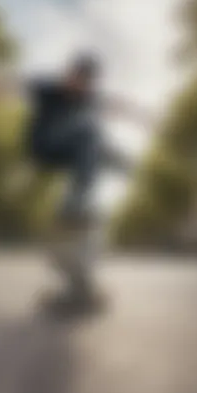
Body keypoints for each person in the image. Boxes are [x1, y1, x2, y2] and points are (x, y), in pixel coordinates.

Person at [23, 53, 151, 306]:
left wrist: (143, 116)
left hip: (69, 151)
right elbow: (12, 83)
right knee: (89, 127)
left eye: (84, 82)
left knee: (102, 146)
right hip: (45, 145)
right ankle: (76, 201)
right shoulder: (48, 88)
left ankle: (79, 274)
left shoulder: (88, 96)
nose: (78, 86)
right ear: (69, 74)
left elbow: (116, 104)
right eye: (75, 78)